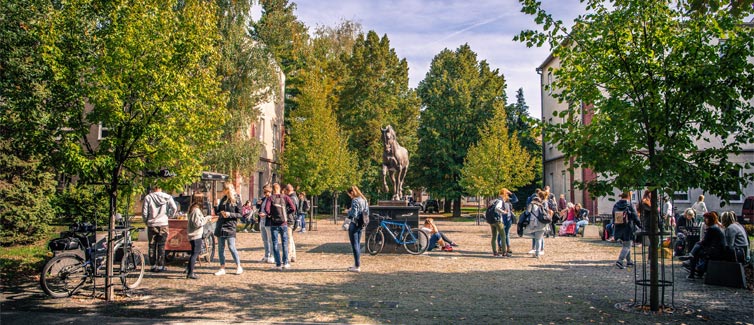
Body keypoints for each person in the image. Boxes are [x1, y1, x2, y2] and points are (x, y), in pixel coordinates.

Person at [678, 211, 726, 279]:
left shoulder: (712, 229)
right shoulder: (715, 227)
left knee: (696, 252)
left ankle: (692, 272)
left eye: (706, 218)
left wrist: (700, 243)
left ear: (710, 219)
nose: (704, 220)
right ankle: (693, 260)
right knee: (697, 247)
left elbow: (705, 242)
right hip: (717, 249)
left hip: (715, 251)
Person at [142, 184, 177, 273]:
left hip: (152, 224)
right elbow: (174, 208)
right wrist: (170, 216)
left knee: (152, 245)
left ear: (154, 188)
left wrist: (146, 221)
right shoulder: (167, 197)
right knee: (161, 245)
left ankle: (153, 265)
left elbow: (144, 212)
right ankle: (161, 265)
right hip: (163, 223)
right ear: (161, 188)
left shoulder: (148, 197)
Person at [264, 183, 296, 270]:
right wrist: (286, 212)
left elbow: (267, 209)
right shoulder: (285, 197)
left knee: (275, 243)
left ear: (273, 190)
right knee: (284, 243)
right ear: (279, 189)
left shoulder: (271, 198)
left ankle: (278, 264)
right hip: (284, 223)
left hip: (274, 223)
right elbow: (293, 208)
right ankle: (285, 262)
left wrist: (270, 214)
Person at [213, 184, 243, 276]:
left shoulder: (237, 199)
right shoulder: (223, 199)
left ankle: (238, 266)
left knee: (231, 247)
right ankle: (222, 267)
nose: (222, 191)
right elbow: (218, 211)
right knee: (220, 248)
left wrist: (230, 214)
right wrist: (216, 208)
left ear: (228, 190)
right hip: (221, 225)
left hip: (230, 226)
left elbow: (240, 214)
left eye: (224, 189)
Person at [186, 193, 211, 279]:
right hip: (195, 234)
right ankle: (190, 272)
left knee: (194, 253)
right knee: (195, 253)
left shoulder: (192, 209)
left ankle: (189, 269)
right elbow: (198, 223)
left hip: (193, 234)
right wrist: (206, 219)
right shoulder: (196, 210)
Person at [613, 192, 641, 269]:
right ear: (629, 196)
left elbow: (613, 216)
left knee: (626, 244)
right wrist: (640, 225)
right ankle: (620, 261)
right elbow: (635, 216)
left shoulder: (616, 205)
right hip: (628, 227)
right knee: (627, 245)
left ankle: (629, 262)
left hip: (618, 227)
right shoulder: (630, 205)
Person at [346, 185, 368, 272]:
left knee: (354, 245)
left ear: (352, 192)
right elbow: (366, 212)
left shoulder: (355, 200)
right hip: (361, 224)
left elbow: (354, 214)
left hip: (354, 224)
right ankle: (356, 264)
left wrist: (348, 211)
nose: (350, 196)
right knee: (358, 244)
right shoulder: (364, 200)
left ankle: (357, 266)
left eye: (349, 194)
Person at [524, 190, 550, 258]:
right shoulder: (541, 205)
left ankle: (536, 250)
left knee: (525, 233)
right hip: (542, 223)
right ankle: (537, 254)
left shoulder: (531, 204)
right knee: (539, 238)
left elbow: (527, 213)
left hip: (534, 223)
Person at [257, 186, 274, 264]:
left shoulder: (272, 199)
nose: (265, 194)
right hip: (262, 221)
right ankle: (266, 255)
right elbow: (259, 208)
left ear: (269, 192)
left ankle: (272, 256)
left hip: (268, 222)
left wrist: (266, 215)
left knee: (270, 240)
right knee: (265, 240)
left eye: (266, 192)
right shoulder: (263, 199)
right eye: (264, 192)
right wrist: (258, 204)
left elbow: (273, 211)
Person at [284, 184, 299, 262]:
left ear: (287, 190)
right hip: (293, 219)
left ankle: (289, 256)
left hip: (290, 219)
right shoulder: (295, 197)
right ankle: (293, 255)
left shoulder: (291, 198)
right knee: (291, 238)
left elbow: (292, 209)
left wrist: (284, 212)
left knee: (288, 239)